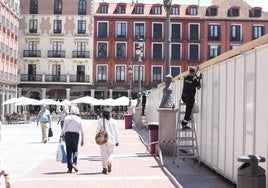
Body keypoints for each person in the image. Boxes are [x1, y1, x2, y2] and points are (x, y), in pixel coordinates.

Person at [59, 106, 84, 173]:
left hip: (68, 135)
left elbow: (63, 129)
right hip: (76, 135)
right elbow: (82, 131)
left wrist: (60, 136)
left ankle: (69, 168)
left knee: (69, 151)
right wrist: (82, 140)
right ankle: (74, 163)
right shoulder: (79, 119)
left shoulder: (67, 118)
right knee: (75, 150)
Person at [96, 108, 119, 174]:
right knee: (111, 153)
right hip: (111, 139)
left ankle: (104, 168)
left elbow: (97, 130)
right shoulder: (114, 121)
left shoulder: (100, 120)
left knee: (103, 154)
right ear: (110, 114)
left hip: (103, 139)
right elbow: (116, 132)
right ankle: (109, 161)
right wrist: (117, 141)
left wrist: (97, 137)